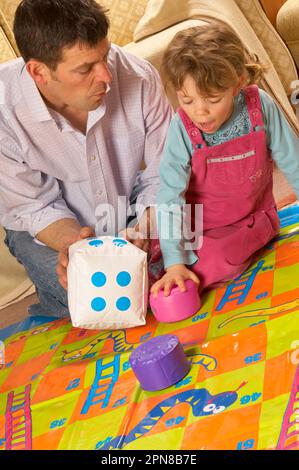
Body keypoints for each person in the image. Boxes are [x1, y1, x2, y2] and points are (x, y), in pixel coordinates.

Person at [0, 0, 172, 317]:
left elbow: (166, 175)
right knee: (104, 301)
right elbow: (33, 208)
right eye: (85, 69)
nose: (106, 75)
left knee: (197, 249)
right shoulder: (4, 111)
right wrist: (79, 249)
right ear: (38, 72)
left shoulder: (139, 76)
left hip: (125, 204)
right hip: (50, 233)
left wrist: (142, 232)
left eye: (105, 56)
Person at [151, 23, 299, 298]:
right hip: (203, 230)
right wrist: (174, 263)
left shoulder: (260, 105)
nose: (200, 112)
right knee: (183, 264)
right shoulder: (181, 127)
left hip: (255, 219)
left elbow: (293, 160)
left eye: (213, 98)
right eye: (187, 100)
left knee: (220, 260)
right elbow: (170, 195)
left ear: (238, 82)